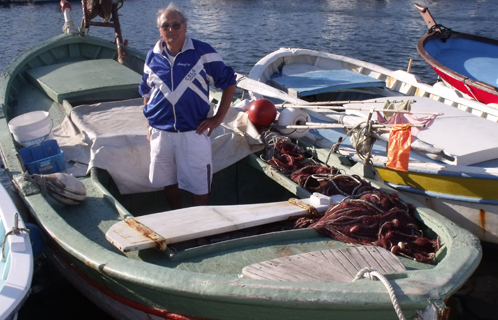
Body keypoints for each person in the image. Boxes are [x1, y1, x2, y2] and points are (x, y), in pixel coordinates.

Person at [139, 2, 236, 209]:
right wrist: (148, 124)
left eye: (176, 25)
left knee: (200, 186)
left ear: (185, 26)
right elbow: (146, 91)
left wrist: (218, 118)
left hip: (194, 131)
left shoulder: (202, 52)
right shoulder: (152, 55)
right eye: (166, 26)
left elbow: (229, 82)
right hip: (160, 133)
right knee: (167, 181)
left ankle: (201, 233)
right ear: (160, 29)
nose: (171, 30)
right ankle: (178, 215)